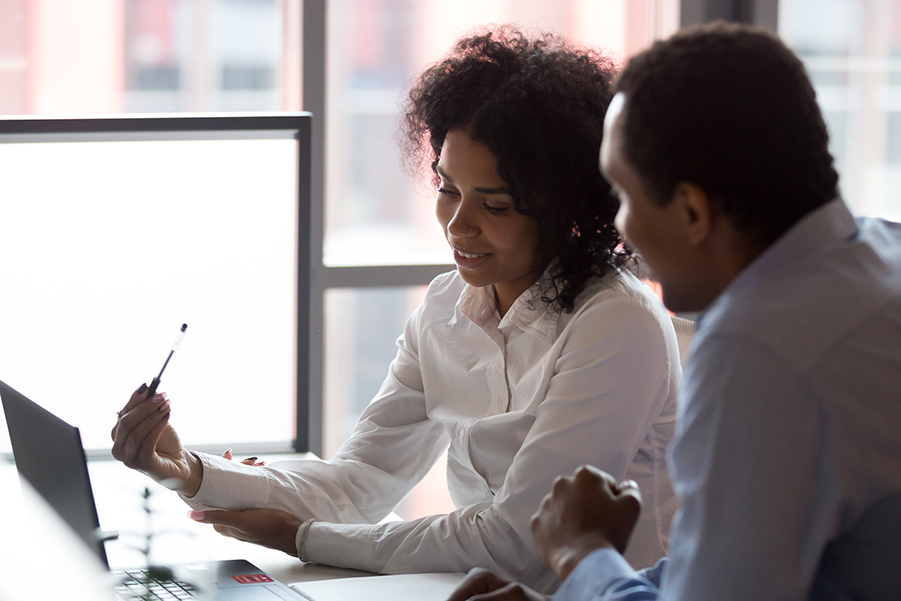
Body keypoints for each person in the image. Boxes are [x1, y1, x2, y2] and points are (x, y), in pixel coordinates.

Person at [111, 27, 684, 594]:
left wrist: (301, 538)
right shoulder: (443, 308)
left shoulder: (616, 324)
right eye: (447, 188)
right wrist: (186, 470)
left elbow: (517, 539)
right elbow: (358, 483)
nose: (458, 226)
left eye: (497, 204)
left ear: (568, 208)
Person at [448, 21, 901, 601]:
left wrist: (582, 553)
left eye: (627, 197)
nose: (619, 227)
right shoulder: (876, 257)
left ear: (690, 211)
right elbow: (725, 569)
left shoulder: (761, 349)